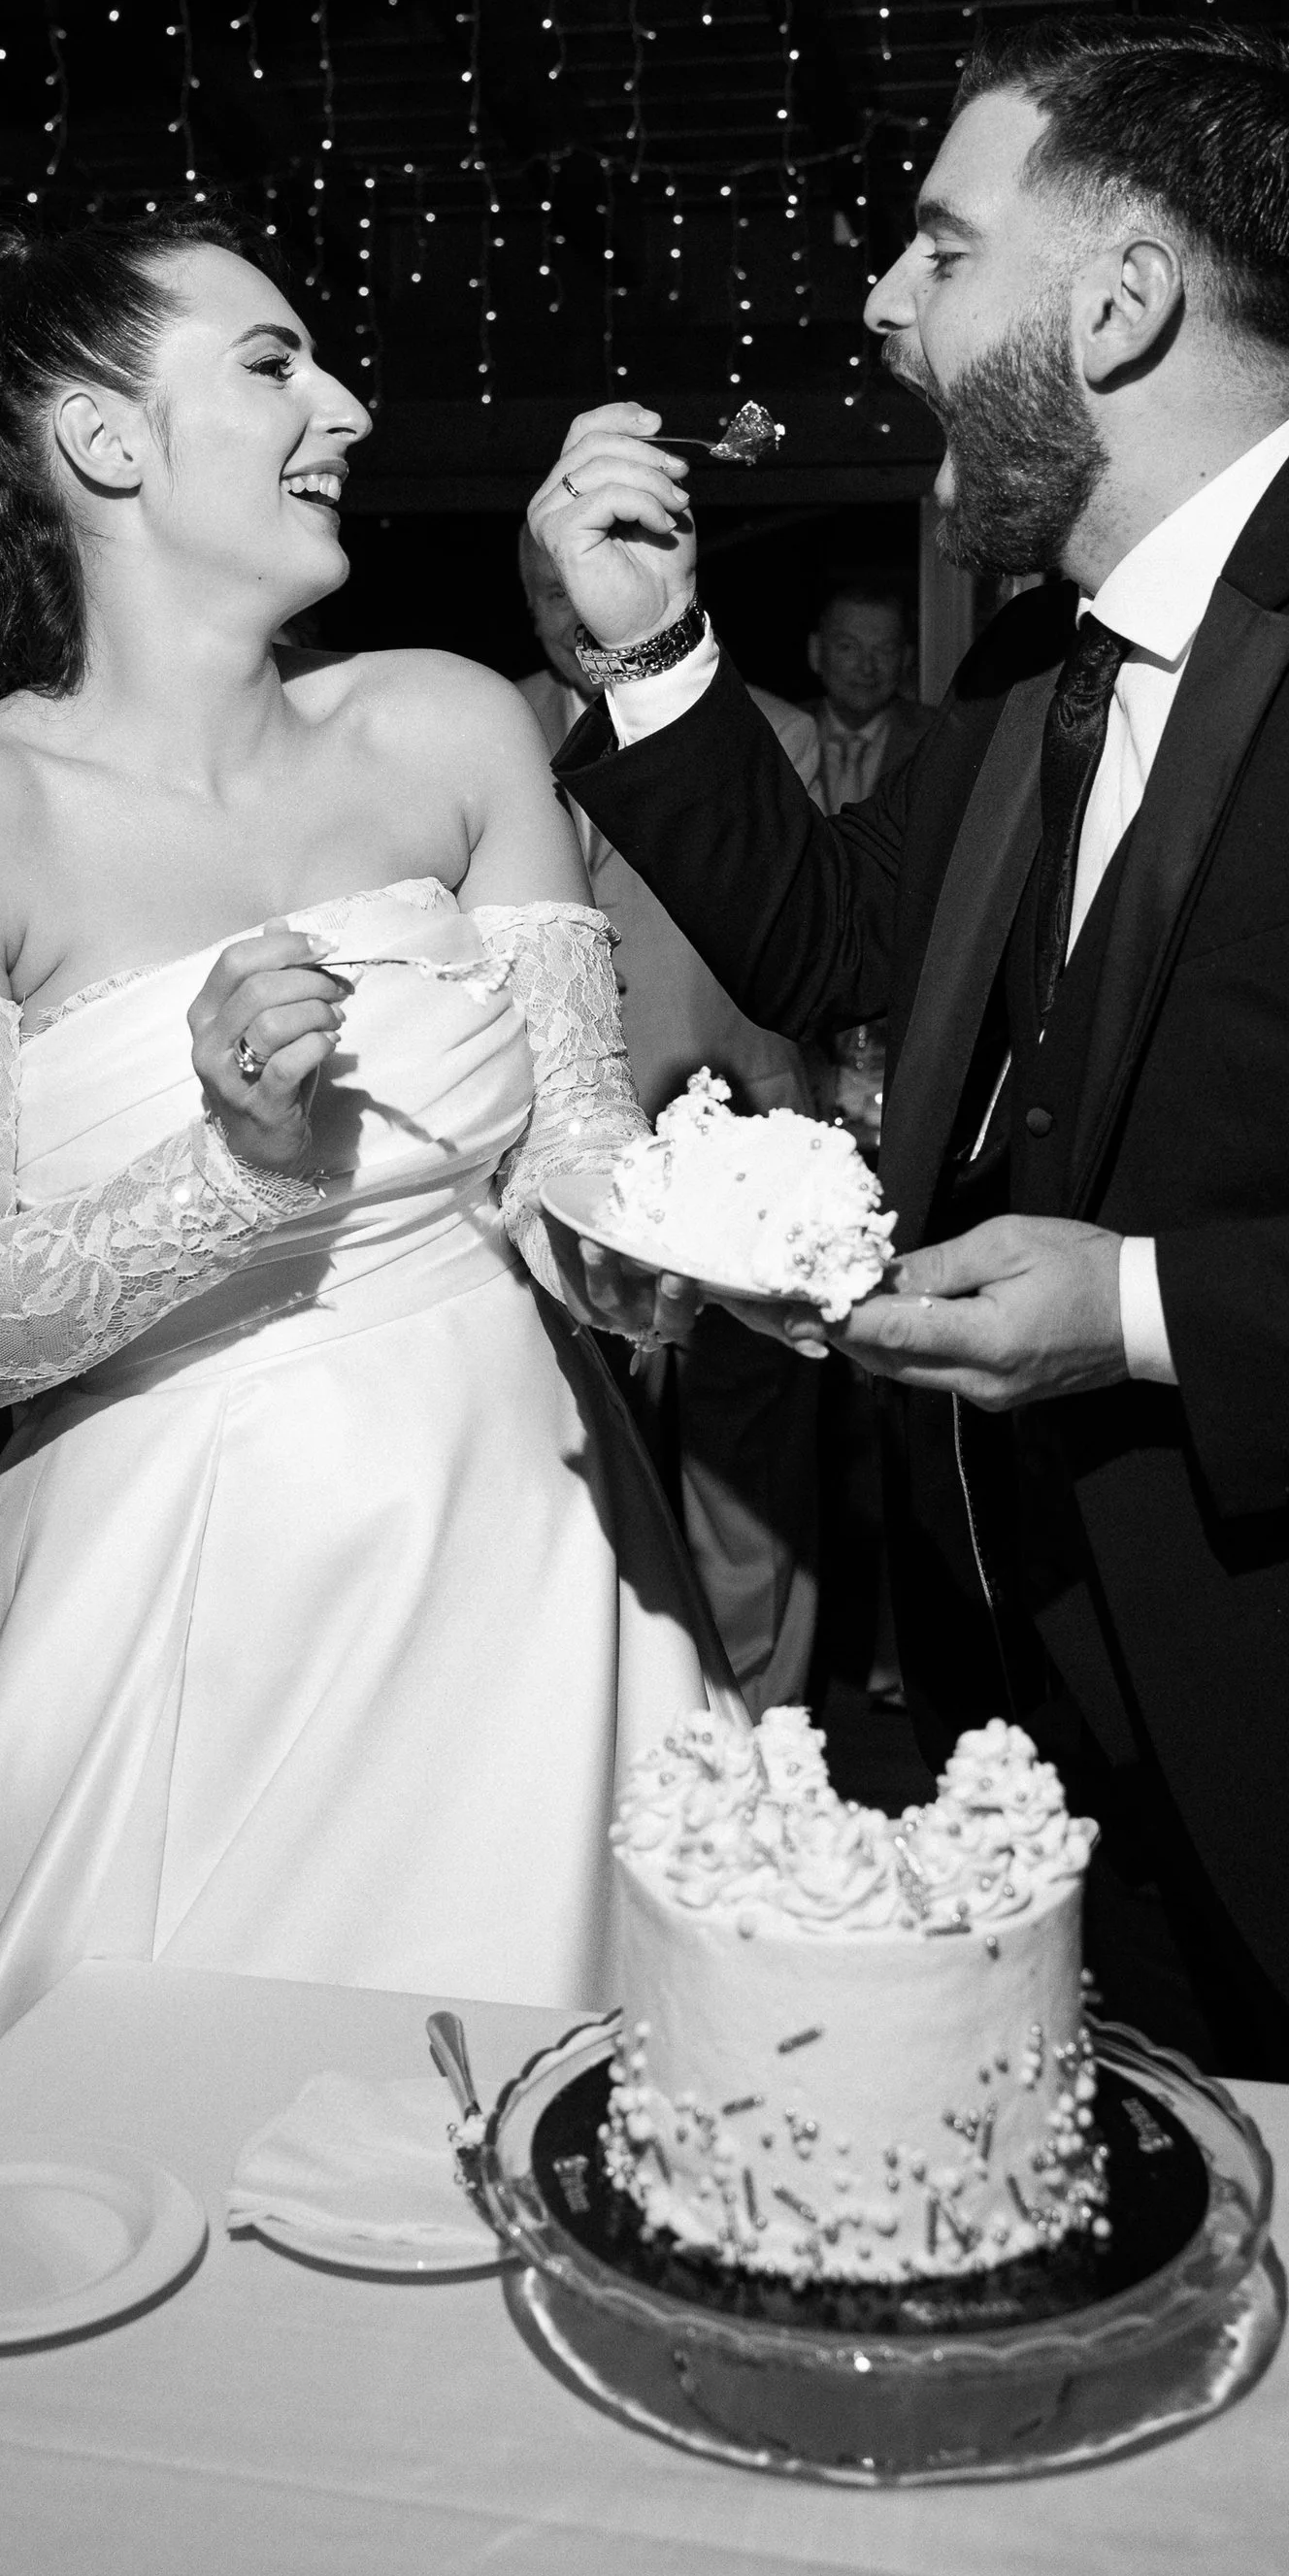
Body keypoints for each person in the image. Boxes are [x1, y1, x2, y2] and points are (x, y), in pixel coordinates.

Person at [531, 17, 1289, 2105]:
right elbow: (850, 937)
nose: (877, 303)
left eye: (937, 250)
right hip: (1080, 1749)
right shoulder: (1041, 663)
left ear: (1113, 303)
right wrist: (649, 661)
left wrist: (1130, 1310)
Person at [0, 213, 718, 2321]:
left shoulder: (441, 726)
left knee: (568, 2182)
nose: (340, 407)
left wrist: (690, 1260)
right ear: (99, 440)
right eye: (271, 363)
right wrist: (245, 1176)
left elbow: (574, 1160)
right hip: (176, 1599)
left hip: (525, 1562)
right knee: (126, 2214)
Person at [516, 526, 822, 1710]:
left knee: (747, 1476)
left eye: (581, 591)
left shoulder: (764, 730)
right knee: (580, 1467)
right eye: (546, 593)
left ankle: (763, 1733)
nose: (569, 615)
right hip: (553, 1159)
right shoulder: (482, 732)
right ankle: (626, 1727)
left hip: (737, 1140)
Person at [803, 576, 933, 814]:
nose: (867, 668)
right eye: (848, 647)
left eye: (885, 650)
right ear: (816, 651)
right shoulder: (778, 734)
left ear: (906, 658)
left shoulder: (936, 737)